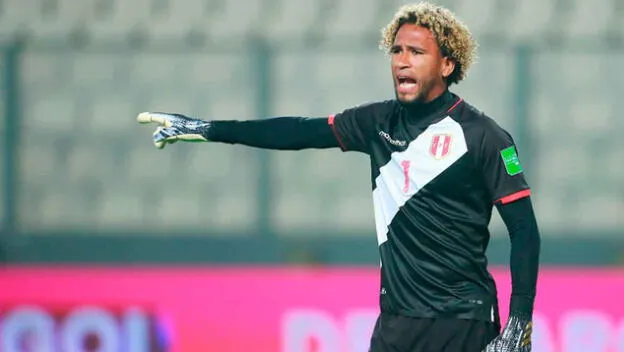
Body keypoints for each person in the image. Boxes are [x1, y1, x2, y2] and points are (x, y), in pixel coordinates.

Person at [137, 2, 541, 351]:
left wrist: (519, 321)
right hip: (396, 323)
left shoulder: (484, 136)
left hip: (461, 321)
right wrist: (209, 128)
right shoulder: (376, 121)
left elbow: (524, 230)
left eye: (416, 52)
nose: (401, 60)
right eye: (397, 50)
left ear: (447, 64)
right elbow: (297, 131)